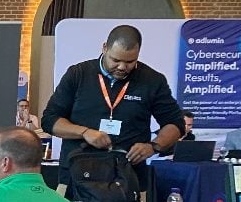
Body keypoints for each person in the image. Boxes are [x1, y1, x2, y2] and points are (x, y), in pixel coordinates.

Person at [41, 23, 182, 188]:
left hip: (127, 176)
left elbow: (175, 124)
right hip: (78, 173)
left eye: (130, 61)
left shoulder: (152, 80)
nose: (122, 67)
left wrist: (154, 146)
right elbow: (50, 120)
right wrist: (84, 132)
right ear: (105, 48)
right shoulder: (78, 74)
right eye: (115, 60)